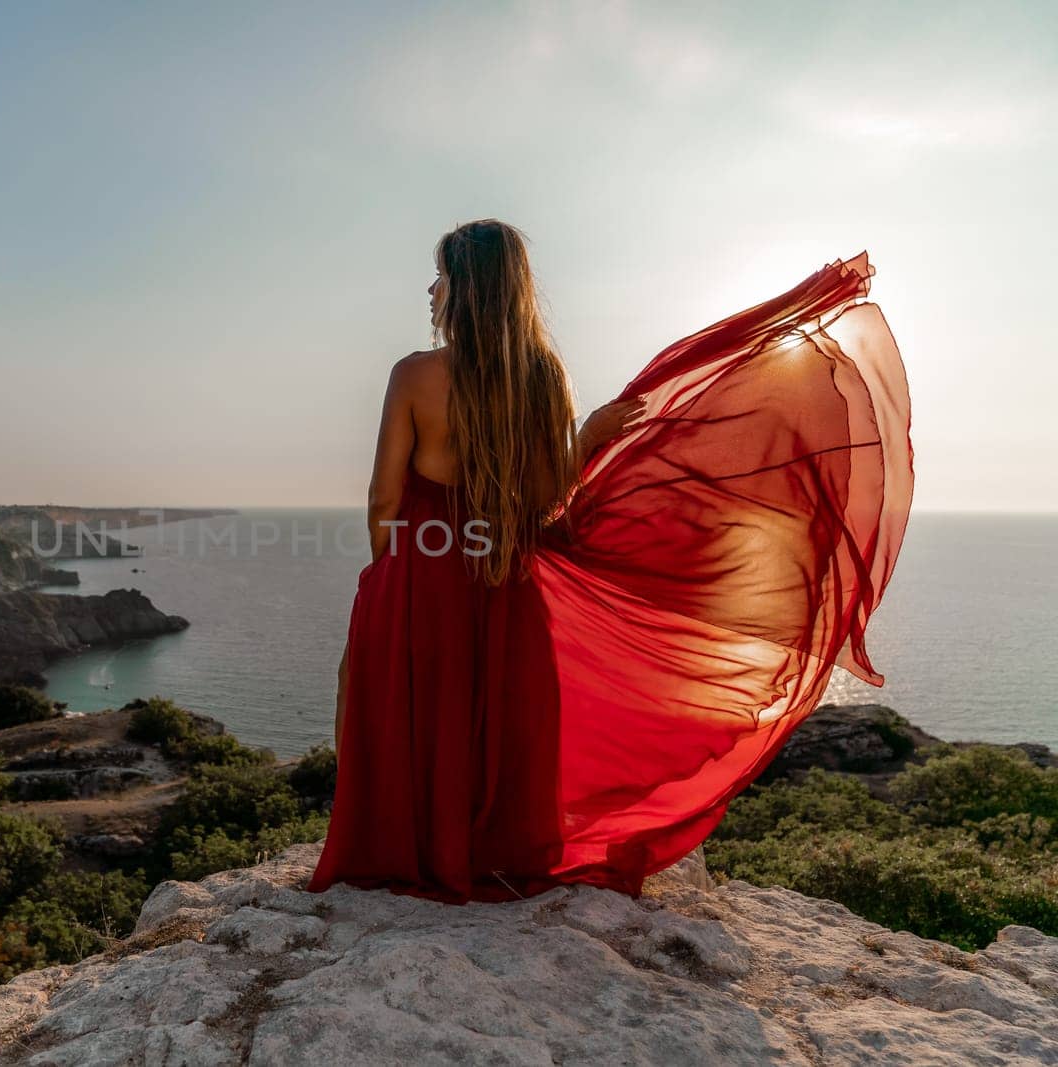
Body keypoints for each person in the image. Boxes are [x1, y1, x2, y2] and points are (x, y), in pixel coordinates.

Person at [307, 219, 912, 904]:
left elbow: (384, 494)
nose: (431, 287)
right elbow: (542, 502)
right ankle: (480, 854)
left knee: (393, 705)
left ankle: (394, 849)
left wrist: (387, 577)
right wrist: (587, 437)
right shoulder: (539, 377)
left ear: (469, 288)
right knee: (491, 724)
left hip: (420, 574)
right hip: (506, 581)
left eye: (441, 275)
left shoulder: (414, 375)